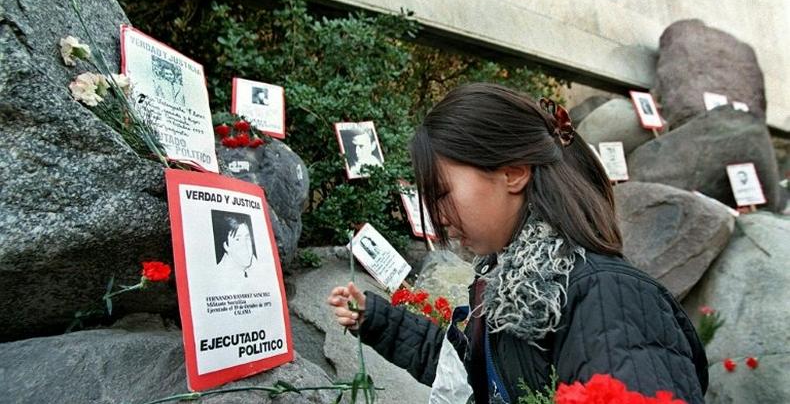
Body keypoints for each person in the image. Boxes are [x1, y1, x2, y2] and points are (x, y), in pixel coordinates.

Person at [327, 83, 708, 403]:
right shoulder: (515, 289)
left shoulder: (610, 299)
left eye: (442, 194)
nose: (438, 216)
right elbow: (467, 373)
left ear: (513, 173)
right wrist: (377, 319)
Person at [212, 212, 259, 279]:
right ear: (226, 246)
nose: (245, 246)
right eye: (237, 239)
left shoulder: (258, 266)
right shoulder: (219, 276)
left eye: (247, 238)